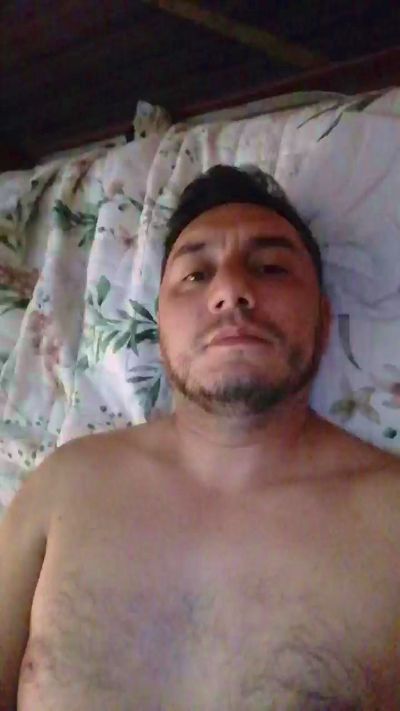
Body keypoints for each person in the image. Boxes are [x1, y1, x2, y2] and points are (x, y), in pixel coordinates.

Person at [1, 164, 399, 710]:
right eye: (195, 275)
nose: (231, 290)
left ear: (324, 320)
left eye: (271, 267)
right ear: (159, 327)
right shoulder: (63, 485)